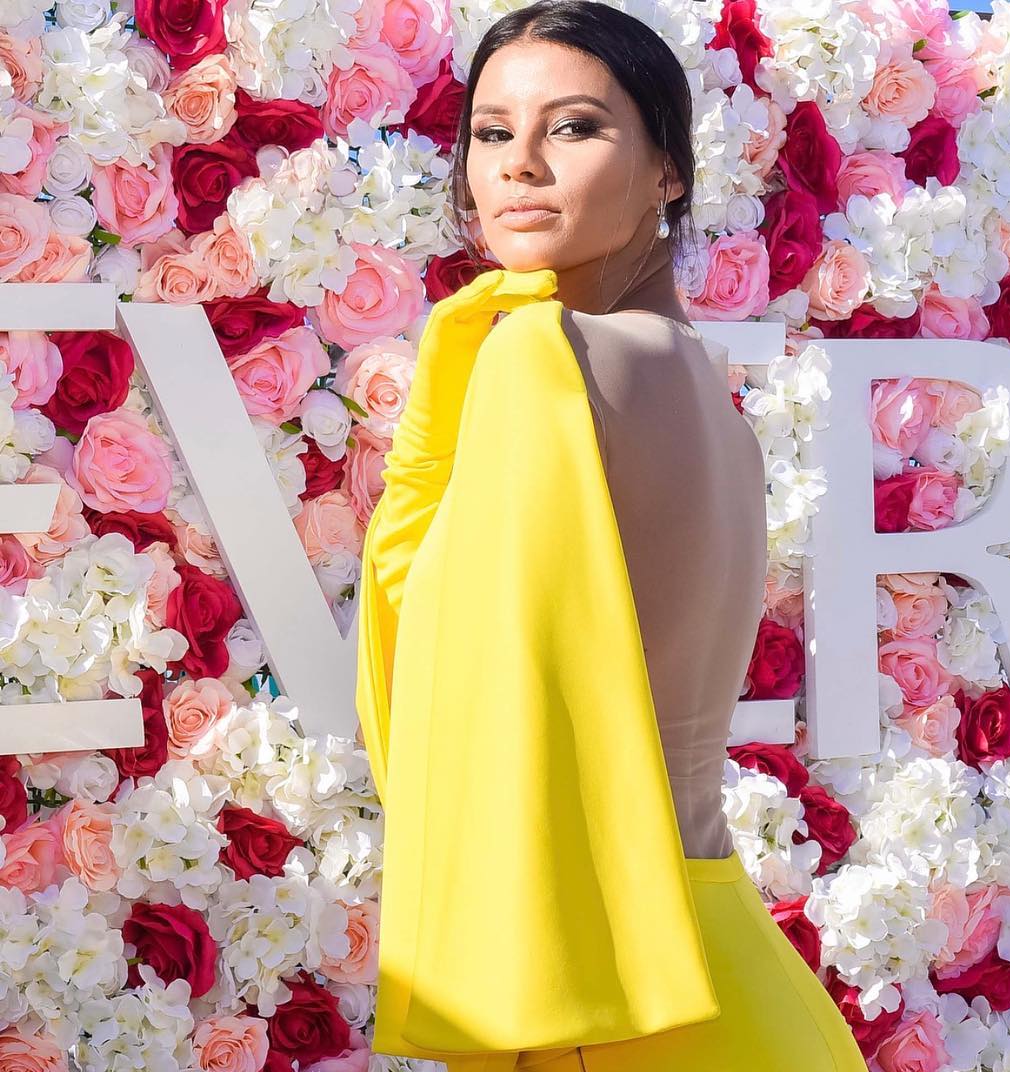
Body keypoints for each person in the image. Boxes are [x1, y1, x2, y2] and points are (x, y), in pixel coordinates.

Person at [355, 2, 868, 1070]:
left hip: (607, 1003)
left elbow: (472, 711)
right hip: (726, 969)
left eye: (575, 127)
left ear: (668, 170)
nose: (521, 165)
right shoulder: (700, 389)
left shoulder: (547, 361)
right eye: (493, 133)